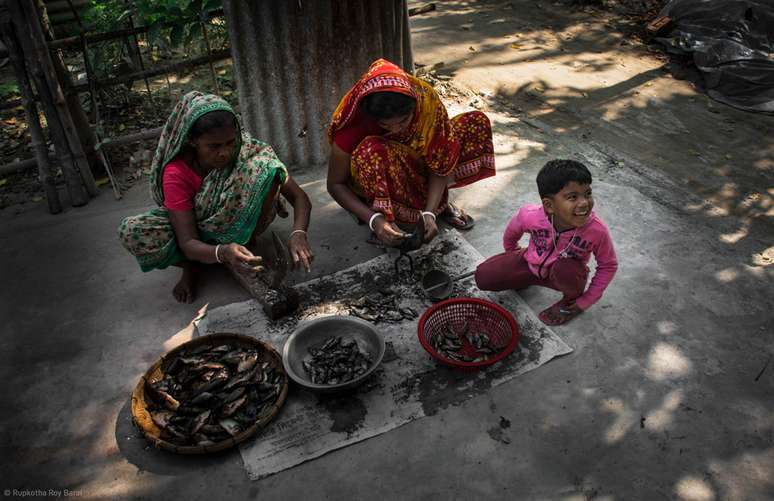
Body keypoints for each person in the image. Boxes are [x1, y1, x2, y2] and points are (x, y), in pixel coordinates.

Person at [118, 91, 313, 303]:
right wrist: (222, 251)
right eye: (214, 146)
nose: (225, 153)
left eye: (230, 142)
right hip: (196, 231)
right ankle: (192, 266)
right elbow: (187, 241)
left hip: (244, 225)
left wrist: (299, 232)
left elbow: (299, 197)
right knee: (133, 231)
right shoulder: (176, 173)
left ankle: (245, 239)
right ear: (192, 141)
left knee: (268, 171)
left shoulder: (248, 150)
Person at [326, 58, 496, 247]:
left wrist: (430, 212)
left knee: (473, 122)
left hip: (417, 168)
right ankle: (387, 215)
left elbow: (440, 159)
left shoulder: (426, 101)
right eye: (385, 125)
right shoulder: (356, 121)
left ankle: (435, 205)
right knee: (373, 150)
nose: (397, 129)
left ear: (414, 107)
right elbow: (335, 184)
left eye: (403, 121)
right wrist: (374, 220)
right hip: (379, 173)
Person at [475, 160, 617, 325]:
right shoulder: (530, 216)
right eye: (573, 197)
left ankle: (570, 300)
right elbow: (512, 232)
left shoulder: (597, 231)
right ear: (549, 205)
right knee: (483, 276)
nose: (585, 202)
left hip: (564, 276)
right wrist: (512, 252)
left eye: (587, 193)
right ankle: (524, 279)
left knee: (566, 268)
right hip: (529, 264)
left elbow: (608, 266)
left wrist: (584, 301)